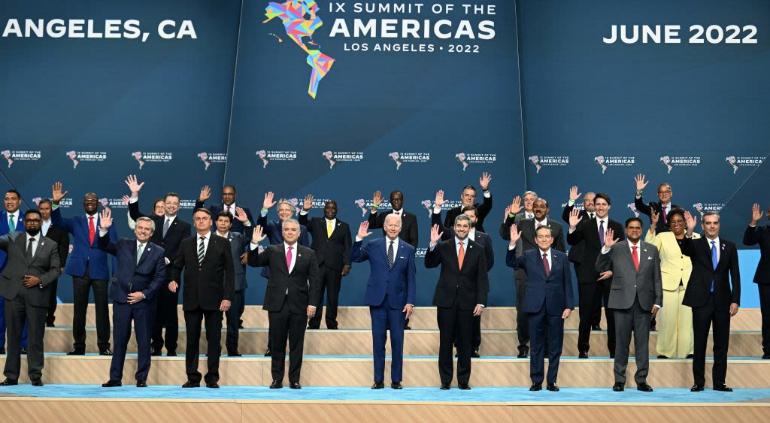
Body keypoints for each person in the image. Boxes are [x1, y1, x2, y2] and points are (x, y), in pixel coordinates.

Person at [248, 219, 321, 389]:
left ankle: (294, 379)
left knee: (296, 344)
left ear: (299, 233)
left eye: (293, 229)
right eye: (286, 229)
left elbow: (315, 281)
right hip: (276, 304)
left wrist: (313, 304)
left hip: (299, 305)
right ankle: (277, 379)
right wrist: (254, 243)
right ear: (282, 232)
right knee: (277, 344)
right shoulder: (272, 250)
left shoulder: (309, 253)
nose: (289, 232)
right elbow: (253, 262)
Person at [96, 210, 166, 388]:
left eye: (147, 229)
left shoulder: (158, 252)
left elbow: (159, 278)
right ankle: (115, 378)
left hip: (144, 303)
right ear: (135, 230)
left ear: (151, 233)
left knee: (144, 341)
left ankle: (141, 378)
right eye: (140, 228)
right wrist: (103, 230)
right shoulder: (123, 244)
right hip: (122, 299)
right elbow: (104, 245)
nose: (143, 231)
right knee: (119, 340)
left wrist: (144, 294)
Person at [125, 175, 192, 357]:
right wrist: (134, 195)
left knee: (170, 313)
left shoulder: (184, 226)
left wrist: (168, 260)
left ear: (179, 206)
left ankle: (171, 347)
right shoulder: (154, 220)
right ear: (164, 203)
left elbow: (183, 250)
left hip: (171, 276)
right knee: (152, 311)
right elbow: (136, 215)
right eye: (168, 203)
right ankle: (156, 345)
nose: (171, 206)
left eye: (174, 203)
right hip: (151, 275)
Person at [169, 208, 234, 389]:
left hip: (215, 300)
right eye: (197, 218)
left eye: (204, 218)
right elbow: (176, 266)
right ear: (194, 222)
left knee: (214, 340)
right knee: (192, 340)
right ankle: (192, 377)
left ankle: (212, 377)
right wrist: (173, 279)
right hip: (191, 299)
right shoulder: (186, 243)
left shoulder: (222, 243)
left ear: (211, 221)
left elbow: (230, 272)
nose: (201, 221)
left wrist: (227, 297)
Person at [596, 218, 662, 392]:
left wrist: (658, 301)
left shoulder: (652, 249)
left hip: (644, 304)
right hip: (621, 302)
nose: (634, 230)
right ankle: (619, 380)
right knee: (621, 343)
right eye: (631, 228)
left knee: (642, 344)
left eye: (637, 228)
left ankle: (642, 380)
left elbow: (657, 277)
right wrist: (606, 248)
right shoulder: (616, 248)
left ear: (642, 230)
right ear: (626, 230)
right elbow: (600, 266)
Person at [506, 224, 573, 392]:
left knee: (555, 346)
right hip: (535, 307)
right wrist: (512, 244)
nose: (544, 239)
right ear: (536, 240)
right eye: (541, 236)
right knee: (536, 346)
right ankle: (536, 381)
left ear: (552, 239)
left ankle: (552, 381)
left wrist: (569, 305)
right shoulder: (528, 256)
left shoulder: (561, 257)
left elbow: (567, 282)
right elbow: (511, 262)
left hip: (556, 307)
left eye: (547, 236)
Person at [51, 181, 115, 355]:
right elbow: (58, 222)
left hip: (99, 270)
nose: (90, 204)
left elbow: (113, 246)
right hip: (79, 270)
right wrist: (55, 203)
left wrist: (104, 230)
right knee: (79, 310)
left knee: (102, 310)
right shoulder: (76, 221)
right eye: (87, 201)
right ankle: (79, 346)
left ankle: (104, 346)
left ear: (98, 203)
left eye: (93, 201)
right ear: (83, 204)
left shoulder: (107, 220)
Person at [351, 218, 416, 389]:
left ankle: (396, 380)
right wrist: (359, 238)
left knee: (397, 342)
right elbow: (355, 257)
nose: (393, 228)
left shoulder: (408, 249)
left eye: (396, 225)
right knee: (378, 342)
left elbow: (411, 278)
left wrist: (410, 301)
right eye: (390, 225)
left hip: (398, 303)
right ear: (385, 227)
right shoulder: (373, 245)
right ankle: (378, 380)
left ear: (400, 228)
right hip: (377, 301)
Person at [426, 215, 489, 390]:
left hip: (468, 303)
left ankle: (463, 381)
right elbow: (429, 263)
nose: (461, 228)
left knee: (465, 343)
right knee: (445, 341)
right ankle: (445, 380)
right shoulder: (443, 246)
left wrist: (481, 301)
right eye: (458, 225)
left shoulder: (478, 249)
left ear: (470, 228)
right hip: (446, 301)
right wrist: (432, 244)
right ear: (454, 227)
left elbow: (482, 278)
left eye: (464, 226)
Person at [681, 211, 740, 392]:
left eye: (715, 223)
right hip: (701, 301)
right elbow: (685, 249)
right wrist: (689, 231)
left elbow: (735, 275)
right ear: (703, 226)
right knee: (699, 343)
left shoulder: (730, 246)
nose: (712, 226)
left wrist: (735, 300)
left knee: (721, 344)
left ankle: (719, 383)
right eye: (708, 223)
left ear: (719, 225)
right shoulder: (695, 244)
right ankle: (698, 382)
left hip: (723, 302)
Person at [0, 209, 60, 386]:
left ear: (40, 222)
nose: (32, 222)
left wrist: (39, 280)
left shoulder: (50, 245)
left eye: (35, 220)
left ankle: (35, 375)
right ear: (24, 223)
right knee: (13, 337)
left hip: (37, 296)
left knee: (35, 337)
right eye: (29, 220)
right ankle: (11, 376)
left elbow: (56, 270)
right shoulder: (13, 238)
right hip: (13, 295)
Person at [501, 196, 565, 358]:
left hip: (549, 277)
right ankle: (523, 345)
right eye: (535, 206)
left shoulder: (557, 227)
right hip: (525, 273)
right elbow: (505, 234)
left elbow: (561, 254)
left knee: (547, 311)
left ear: (547, 210)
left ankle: (546, 348)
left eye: (541, 206)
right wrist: (511, 216)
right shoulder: (522, 223)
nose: (538, 208)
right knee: (523, 312)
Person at [433, 190, 493, 357]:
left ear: (475, 220)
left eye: (471, 217)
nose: (467, 221)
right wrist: (437, 209)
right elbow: (437, 228)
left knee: (471, 327)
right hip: (450, 294)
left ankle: (472, 348)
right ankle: (457, 351)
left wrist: (474, 275)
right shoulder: (451, 236)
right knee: (449, 334)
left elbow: (488, 263)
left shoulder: (483, 238)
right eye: (465, 218)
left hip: (472, 289)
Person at [567, 192, 624, 358]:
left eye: (603, 204)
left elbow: (621, 253)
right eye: (597, 204)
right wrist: (572, 227)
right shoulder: (585, 224)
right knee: (585, 315)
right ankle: (583, 349)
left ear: (609, 206)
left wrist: (612, 270)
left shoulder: (617, 226)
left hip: (610, 277)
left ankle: (614, 350)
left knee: (612, 316)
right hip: (588, 275)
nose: (600, 207)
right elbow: (572, 241)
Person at [257, 192, 311, 355]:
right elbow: (260, 227)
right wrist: (264, 209)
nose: (284, 212)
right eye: (281, 210)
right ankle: (272, 347)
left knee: (294, 316)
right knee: (275, 315)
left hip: (295, 278)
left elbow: (306, 251)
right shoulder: (272, 225)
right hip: (276, 275)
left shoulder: (301, 229)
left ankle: (293, 349)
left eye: (287, 210)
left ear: (293, 212)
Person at [645, 208, 697, 359]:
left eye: (680, 221)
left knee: (687, 321)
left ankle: (688, 351)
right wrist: (653, 226)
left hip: (689, 285)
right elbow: (648, 249)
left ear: (685, 223)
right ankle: (665, 351)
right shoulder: (662, 237)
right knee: (667, 321)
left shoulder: (696, 236)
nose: (676, 224)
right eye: (673, 222)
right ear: (668, 224)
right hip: (667, 285)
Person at [299, 195, 352, 330]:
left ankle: (331, 323)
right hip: (317, 265)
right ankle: (314, 323)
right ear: (324, 209)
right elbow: (302, 224)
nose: (330, 210)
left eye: (333, 208)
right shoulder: (316, 222)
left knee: (333, 296)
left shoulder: (344, 226)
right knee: (315, 295)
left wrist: (347, 264)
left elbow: (348, 247)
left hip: (335, 267)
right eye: (328, 208)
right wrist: (305, 210)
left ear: (337, 210)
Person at [562, 186, 602, 331]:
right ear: (583, 203)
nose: (590, 202)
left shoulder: (602, 217)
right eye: (587, 200)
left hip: (599, 260)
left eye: (593, 200)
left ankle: (595, 322)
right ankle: (584, 322)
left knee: (598, 292)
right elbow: (565, 215)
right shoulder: (577, 214)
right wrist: (571, 201)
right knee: (585, 293)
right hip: (582, 260)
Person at [213, 211, 251, 356]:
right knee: (213, 322)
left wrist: (246, 222)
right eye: (220, 220)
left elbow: (252, 239)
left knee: (233, 321)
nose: (223, 223)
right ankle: (214, 350)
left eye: (226, 221)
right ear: (215, 222)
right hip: (214, 286)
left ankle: (232, 349)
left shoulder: (238, 237)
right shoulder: (209, 238)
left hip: (235, 285)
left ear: (230, 224)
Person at [0, 189, 28, 354]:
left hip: (22, 271)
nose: (9, 201)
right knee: (0, 310)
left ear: (19, 201)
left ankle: (23, 344)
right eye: (6, 199)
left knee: (23, 310)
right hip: (1, 271)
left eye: (13, 199)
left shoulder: (29, 219)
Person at [38, 199, 69, 328]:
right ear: (38, 210)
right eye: (42, 209)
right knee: (35, 293)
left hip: (52, 266)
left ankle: (50, 319)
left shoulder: (59, 226)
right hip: (35, 266)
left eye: (47, 208)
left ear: (51, 210)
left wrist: (61, 265)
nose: (44, 211)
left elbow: (64, 247)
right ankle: (37, 318)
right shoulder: (33, 225)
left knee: (51, 294)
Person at [744, 203, 770, 359]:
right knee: (767, 316)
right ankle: (768, 349)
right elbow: (747, 241)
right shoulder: (762, 231)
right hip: (766, 279)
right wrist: (753, 222)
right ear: (768, 214)